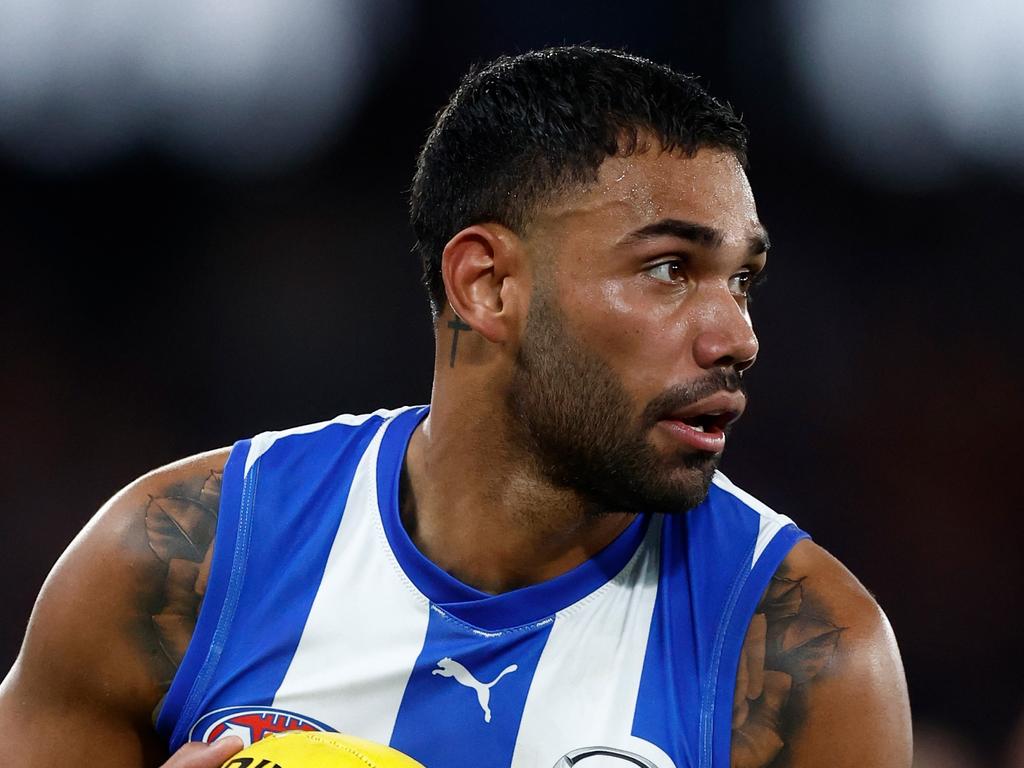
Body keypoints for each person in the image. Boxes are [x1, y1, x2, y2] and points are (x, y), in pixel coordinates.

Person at [0, 46, 912, 767]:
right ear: (488, 285)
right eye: (670, 269)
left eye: (742, 280)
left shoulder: (804, 654)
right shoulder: (177, 563)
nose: (737, 337)